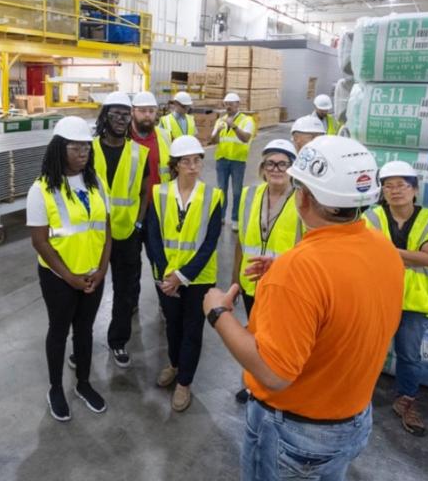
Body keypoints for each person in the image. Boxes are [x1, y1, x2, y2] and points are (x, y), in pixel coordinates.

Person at [202, 136, 404, 481]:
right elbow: (343, 303)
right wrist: (283, 272)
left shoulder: (301, 269)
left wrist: (218, 313)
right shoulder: (383, 250)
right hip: (351, 419)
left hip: (294, 432)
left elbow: (275, 373)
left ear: (305, 198)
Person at [28, 116, 112, 421]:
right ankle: (55, 388)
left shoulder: (96, 182)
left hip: (94, 274)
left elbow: (106, 228)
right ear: (58, 148)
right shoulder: (41, 189)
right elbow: (40, 242)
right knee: (59, 331)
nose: (83, 151)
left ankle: (83, 383)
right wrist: (71, 278)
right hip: (59, 278)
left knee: (85, 330)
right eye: (75, 146)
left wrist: (101, 270)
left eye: (86, 146)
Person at [364, 160, 428, 437]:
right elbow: (361, 250)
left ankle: (406, 401)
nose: (394, 191)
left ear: (414, 189)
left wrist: (383, 250)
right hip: (377, 296)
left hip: (414, 301)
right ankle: (356, 398)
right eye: (388, 186)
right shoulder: (372, 216)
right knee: (367, 350)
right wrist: (401, 253)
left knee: (409, 355)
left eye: (401, 185)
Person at [144, 135, 223, 412]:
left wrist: (182, 276)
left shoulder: (214, 197)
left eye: (197, 160)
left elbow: (210, 244)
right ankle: (175, 364)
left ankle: (184, 383)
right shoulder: (158, 193)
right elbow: (152, 237)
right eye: (186, 161)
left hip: (198, 279)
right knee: (172, 326)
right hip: (166, 277)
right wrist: (167, 276)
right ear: (175, 165)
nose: (193, 166)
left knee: (192, 329)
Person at [232, 138, 303, 404]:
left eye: (282, 163)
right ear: (262, 167)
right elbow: (241, 240)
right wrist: (235, 280)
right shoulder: (250, 194)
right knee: (255, 336)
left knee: (280, 339)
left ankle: (278, 385)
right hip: (251, 282)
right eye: (271, 163)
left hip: (285, 286)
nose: (276, 169)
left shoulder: (303, 200)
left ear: (292, 168)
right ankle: (254, 384)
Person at [91, 92, 150, 368]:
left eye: (125, 115)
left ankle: (118, 342)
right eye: (114, 114)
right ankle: (82, 343)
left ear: (130, 119)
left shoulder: (139, 153)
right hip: (94, 236)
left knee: (125, 292)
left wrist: (138, 222)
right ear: (105, 116)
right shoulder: (88, 150)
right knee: (89, 291)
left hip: (127, 234)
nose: (120, 119)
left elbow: (144, 190)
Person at [208, 92, 255, 232]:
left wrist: (234, 126)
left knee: (236, 191)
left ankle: (235, 219)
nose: (228, 107)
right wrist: (217, 132)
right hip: (222, 159)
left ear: (238, 104)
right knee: (221, 190)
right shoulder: (220, 121)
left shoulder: (247, 120)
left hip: (237, 161)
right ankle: (221, 216)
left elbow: (246, 138)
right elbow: (213, 140)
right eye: (226, 104)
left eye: (231, 104)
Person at [130, 90, 172, 190]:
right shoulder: (124, 138)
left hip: (159, 201)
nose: (147, 115)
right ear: (132, 111)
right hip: (132, 203)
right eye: (142, 111)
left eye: (151, 111)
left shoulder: (165, 136)